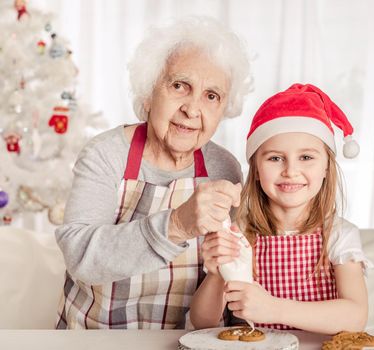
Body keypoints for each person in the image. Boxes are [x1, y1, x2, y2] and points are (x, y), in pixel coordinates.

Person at [55, 16, 252, 329]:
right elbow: (80, 257)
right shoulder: (106, 154)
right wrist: (176, 224)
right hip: (93, 337)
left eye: (211, 95)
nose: (192, 109)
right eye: (179, 86)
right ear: (148, 93)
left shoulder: (224, 168)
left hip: (182, 342)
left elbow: (226, 275)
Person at [190, 83, 371, 334]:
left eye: (306, 157)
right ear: (255, 171)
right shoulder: (239, 234)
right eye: (275, 158)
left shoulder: (339, 235)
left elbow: (355, 316)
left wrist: (273, 308)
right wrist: (216, 273)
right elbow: (204, 322)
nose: (290, 171)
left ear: (326, 168)